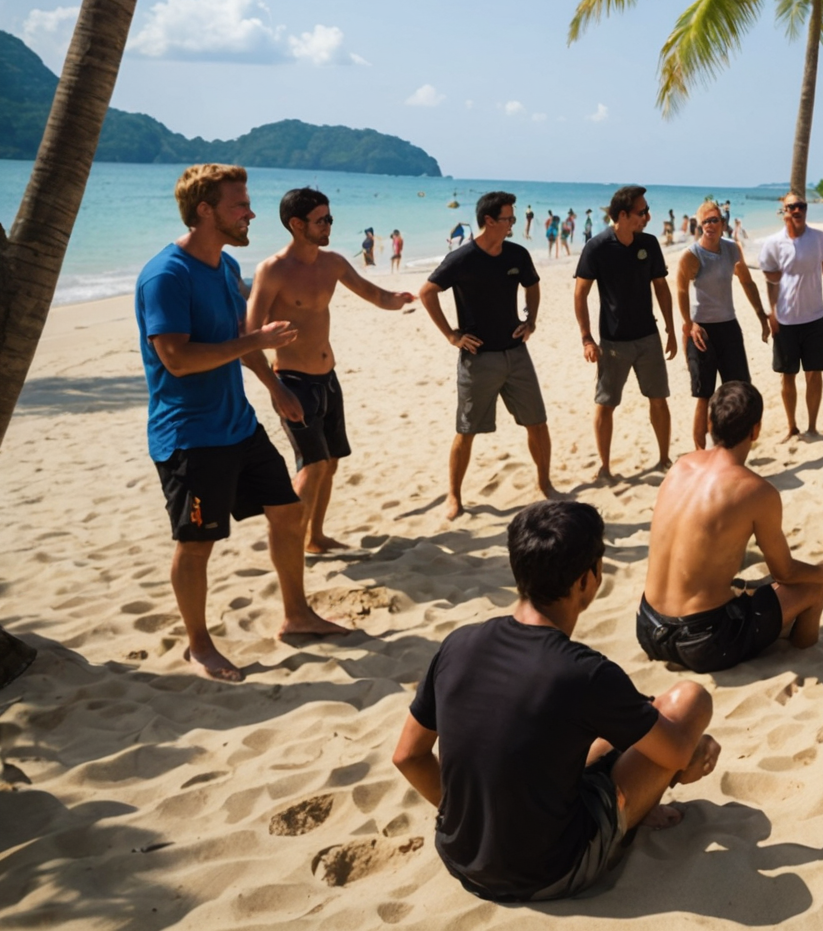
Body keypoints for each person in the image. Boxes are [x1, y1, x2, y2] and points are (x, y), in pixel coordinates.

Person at [392, 501, 721, 903]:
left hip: (460, 857)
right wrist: (691, 750)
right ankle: (635, 808)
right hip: (551, 871)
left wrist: (468, 817)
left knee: (598, 733)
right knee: (690, 703)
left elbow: (408, 756)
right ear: (588, 578)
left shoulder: (457, 645)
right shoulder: (584, 672)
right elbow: (675, 754)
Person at [137, 165, 348, 681]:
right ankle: (199, 645)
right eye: (240, 205)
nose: (251, 213)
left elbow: (240, 337)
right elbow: (177, 360)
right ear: (205, 211)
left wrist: (275, 388)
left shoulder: (226, 267)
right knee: (197, 543)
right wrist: (257, 342)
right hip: (190, 435)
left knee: (288, 512)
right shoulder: (167, 276)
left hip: (238, 424)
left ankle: (296, 615)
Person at [247, 188, 416, 558]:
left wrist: (400, 299)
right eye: (321, 220)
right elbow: (249, 339)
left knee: (331, 464)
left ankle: (315, 537)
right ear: (297, 224)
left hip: (328, 379)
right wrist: (276, 389)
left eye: (330, 218)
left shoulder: (333, 263)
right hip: (293, 382)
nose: (328, 226)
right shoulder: (273, 270)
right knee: (313, 466)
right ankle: (289, 544)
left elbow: (375, 294)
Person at [638, 383, 823, 671]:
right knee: (813, 589)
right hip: (703, 642)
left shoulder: (680, 466)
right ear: (755, 430)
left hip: (648, 628)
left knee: (746, 590)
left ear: (710, 424)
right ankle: (802, 656)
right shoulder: (756, 491)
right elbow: (785, 572)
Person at [419, 190, 557, 519]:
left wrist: (531, 320)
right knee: (466, 431)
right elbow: (427, 292)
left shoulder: (517, 255)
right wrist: (452, 335)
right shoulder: (462, 259)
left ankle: (545, 484)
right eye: (509, 218)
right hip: (478, 358)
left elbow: (532, 285)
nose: (513, 223)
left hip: (517, 354)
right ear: (489, 221)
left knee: (538, 423)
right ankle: (454, 496)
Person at [574, 185, 680, 481]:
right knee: (606, 403)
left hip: (648, 337)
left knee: (659, 398)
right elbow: (580, 293)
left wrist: (671, 329)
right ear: (622, 215)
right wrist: (587, 338)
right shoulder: (597, 247)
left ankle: (664, 459)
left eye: (647, 211)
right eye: (642, 212)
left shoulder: (649, 243)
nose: (647, 216)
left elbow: (661, 287)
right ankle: (605, 467)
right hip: (612, 342)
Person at [676, 199, 770, 451]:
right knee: (704, 395)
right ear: (699, 224)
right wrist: (689, 324)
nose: (710, 225)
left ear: (722, 223)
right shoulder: (691, 255)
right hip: (702, 332)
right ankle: (701, 452)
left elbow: (747, 282)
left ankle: (733, 447)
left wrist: (761, 315)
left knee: (739, 390)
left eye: (714, 220)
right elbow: (681, 290)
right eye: (705, 221)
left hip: (729, 327)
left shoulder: (732, 249)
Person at [757, 191, 823, 439]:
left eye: (801, 206)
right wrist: (772, 312)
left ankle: (813, 426)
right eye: (791, 206)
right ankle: (791, 426)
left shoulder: (819, 238)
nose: (797, 210)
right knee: (788, 376)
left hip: (814, 317)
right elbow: (770, 281)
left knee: (814, 374)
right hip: (785, 321)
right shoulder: (773, 243)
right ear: (783, 211)